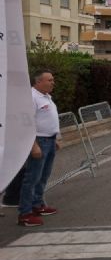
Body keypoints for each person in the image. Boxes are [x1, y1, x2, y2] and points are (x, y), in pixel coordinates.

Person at [18, 70, 60, 227]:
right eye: (49, 80)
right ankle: (25, 213)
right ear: (38, 82)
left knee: (43, 176)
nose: (52, 82)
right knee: (32, 178)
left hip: (49, 140)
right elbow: (27, 123)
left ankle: (37, 204)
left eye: (53, 79)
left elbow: (48, 118)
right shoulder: (32, 97)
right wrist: (33, 144)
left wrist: (55, 138)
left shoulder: (46, 97)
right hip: (39, 141)